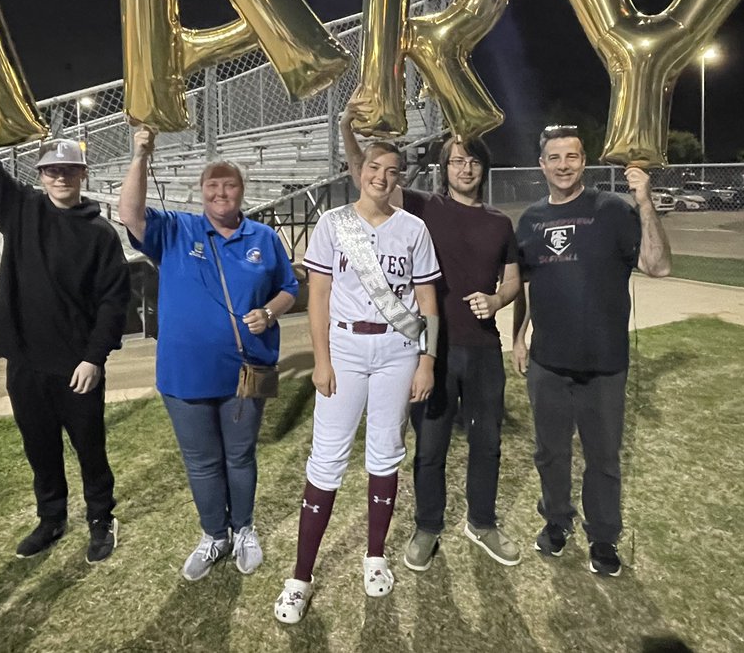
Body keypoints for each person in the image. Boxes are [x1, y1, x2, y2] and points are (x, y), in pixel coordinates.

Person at [0, 69, 129, 564]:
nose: (60, 177)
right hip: (27, 364)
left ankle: (101, 519)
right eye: (51, 171)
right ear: (40, 175)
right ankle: (51, 518)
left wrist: (94, 358)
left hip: (77, 368)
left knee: (90, 451)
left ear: (83, 175)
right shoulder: (21, 210)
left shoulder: (100, 234)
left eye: (69, 171)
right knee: (40, 450)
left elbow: (112, 303)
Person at [340, 107, 522, 571]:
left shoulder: (500, 223)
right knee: (432, 445)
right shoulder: (423, 207)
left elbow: (513, 281)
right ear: (446, 169)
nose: (465, 168)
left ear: (484, 169)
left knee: (488, 443)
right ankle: (428, 526)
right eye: (457, 160)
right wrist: (347, 131)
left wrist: (498, 301)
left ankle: (481, 522)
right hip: (433, 352)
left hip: (483, 349)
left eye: (473, 162)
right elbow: (369, 173)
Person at [118, 125, 297, 581]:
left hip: (246, 369)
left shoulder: (264, 237)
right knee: (201, 461)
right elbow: (131, 214)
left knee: (240, 456)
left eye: (229, 184)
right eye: (212, 185)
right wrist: (140, 155)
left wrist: (270, 313)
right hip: (185, 374)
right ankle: (214, 533)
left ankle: (244, 528)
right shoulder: (178, 230)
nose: (221, 192)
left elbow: (290, 288)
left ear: (242, 191)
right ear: (201, 192)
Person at [274, 141, 441, 625]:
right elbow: (319, 296)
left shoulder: (414, 228)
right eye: (374, 168)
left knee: (386, 452)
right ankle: (301, 576)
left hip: (398, 350)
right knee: (327, 459)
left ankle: (374, 556)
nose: (382, 178)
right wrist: (321, 361)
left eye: (392, 171)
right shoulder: (333, 223)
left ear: (400, 178)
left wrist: (427, 362)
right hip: (344, 349)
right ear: (359, 171)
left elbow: (427, 301)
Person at [511, 125, 671, 577]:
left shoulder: (613, 211)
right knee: (550, 452)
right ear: (542, 165)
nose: (563, 165)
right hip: (548, 362)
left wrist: (644, 202)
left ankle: (603, 537)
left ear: (584, 161)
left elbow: (658, 266)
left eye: (572, 156)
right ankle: (556, 523)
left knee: (602, 458)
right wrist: (519, 336)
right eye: (554, 157)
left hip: (604, 363)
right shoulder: (531, 219)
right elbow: (525, 283)